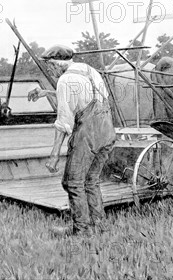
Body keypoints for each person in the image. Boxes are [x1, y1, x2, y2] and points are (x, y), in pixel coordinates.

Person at [27, 45, 116, 236]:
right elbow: (85, 96)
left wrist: (54, 155)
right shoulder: (88, 70)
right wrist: (48, 93)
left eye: (50, 65)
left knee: (73, 183)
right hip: (107, 134)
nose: (50, 69)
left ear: (58, 63)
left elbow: (64, 123)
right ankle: (99, 225)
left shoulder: (65, 80)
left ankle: (81, 229)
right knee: (91, 181)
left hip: (88, 137)